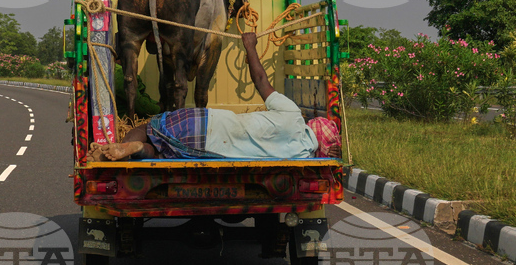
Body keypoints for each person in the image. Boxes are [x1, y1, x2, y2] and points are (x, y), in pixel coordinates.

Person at [89, 32, 342, 161]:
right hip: (211, 150)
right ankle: (137, 150)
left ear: (312, 126)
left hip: (208, 121)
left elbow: (261, 81)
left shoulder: (292, 114)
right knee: (160, 155)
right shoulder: (301, 156)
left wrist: (250, 46)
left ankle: (125, 145)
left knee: (148, 126)